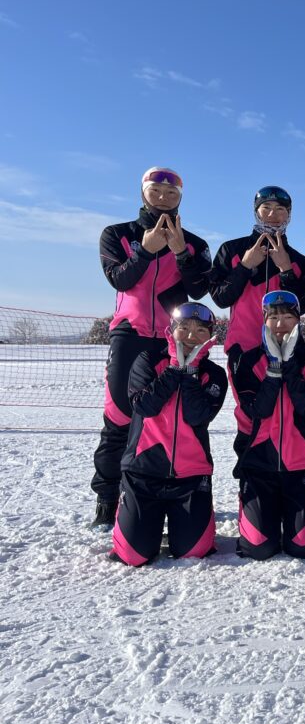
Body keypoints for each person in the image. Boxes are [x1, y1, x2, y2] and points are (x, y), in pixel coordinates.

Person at [93, 167, 213, 527]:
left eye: (171, 193)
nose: (163, 198)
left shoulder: (194, 243)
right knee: (119, 415)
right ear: (143, 193)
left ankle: (161, 490)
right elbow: (120, 279)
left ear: (180, 198)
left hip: (172, 338)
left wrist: (180, 253)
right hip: (129, 334)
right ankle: (107, 495)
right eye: (155, 191)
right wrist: (145, 251)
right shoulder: (117, 234)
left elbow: (199, 289)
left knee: (165, 417)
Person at [111, 303, 226, 566]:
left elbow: (197, 416)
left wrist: (191, 371)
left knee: (193, 551)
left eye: (200, 330)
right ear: (171, 330)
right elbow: (144, 406)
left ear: (209, 336)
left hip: (191, 476)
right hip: (143, 473)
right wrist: (174, 368)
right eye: (184, 328)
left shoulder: (214, 374)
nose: (191, 336)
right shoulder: (148, 360)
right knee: (133, 555)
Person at [209, 185, 305, 457]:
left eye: (280, 209)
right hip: (244, 348)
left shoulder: (297, 259)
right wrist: (245, 266)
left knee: (286, 412)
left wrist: (286, 269)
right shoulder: (232, 250)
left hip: (286, 348)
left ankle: (286, 470)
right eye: (266, 208)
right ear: (256, 211)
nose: (273, 215)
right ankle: (248, 474)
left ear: (289, 214)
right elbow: (220, 298)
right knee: (249, 416)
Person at [232, 291, 305, 560]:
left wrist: (290, 364)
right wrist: (274, 368)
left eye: (288, 317)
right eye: (273, 317)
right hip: (260, 464)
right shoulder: (249, 359)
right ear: (264, 320)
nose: (280, 324)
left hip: (302, 463)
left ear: (298, 320)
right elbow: (257, 410)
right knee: (259, 548)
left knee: (304, 547)